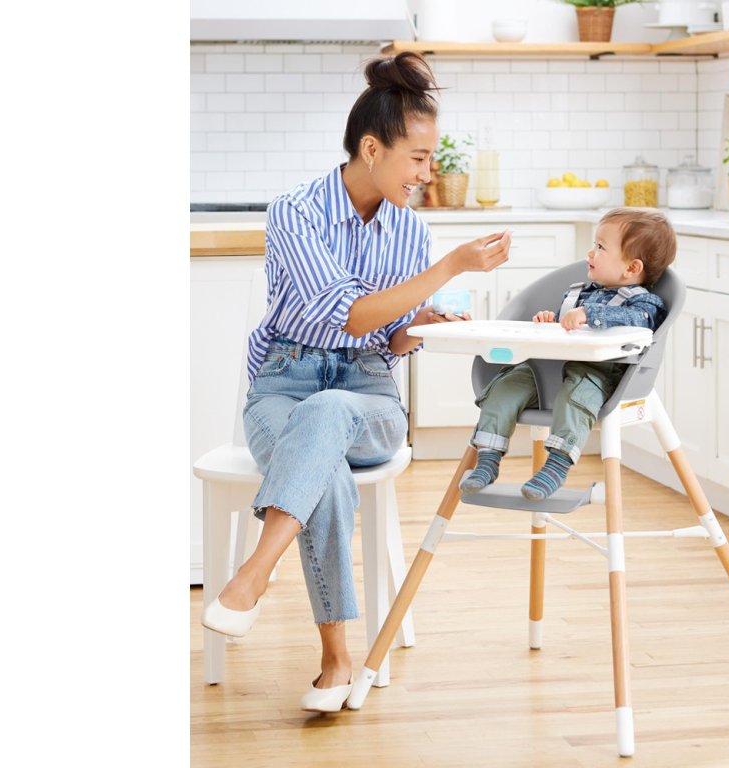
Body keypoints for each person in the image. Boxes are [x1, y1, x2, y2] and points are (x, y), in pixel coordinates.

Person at [200, 52, 512, 712]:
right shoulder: (296, 212)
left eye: (431, 160)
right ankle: (337, 661)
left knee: (333, 412)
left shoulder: (410, 232)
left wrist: (420, 324)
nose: (427, 174)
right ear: (372, 149)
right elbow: (346, 313)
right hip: (283, 385)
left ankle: (252, 575)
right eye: (418, 158)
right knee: (328, 469)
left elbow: (384, 336)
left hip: (368, 393)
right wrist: (451, 267)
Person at [459, 208, 676, 501]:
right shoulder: (578, 293)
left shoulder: (643, 303)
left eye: (601, 247)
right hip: (545, 372)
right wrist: (549, 322)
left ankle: (557, 466)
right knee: (505, 386)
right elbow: (563, 330)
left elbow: (640, 323)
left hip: (595, 378)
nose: (591, 252)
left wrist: (589, 314)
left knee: (578, 395)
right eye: (594, 244)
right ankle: (487, 459)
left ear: (632, 267)